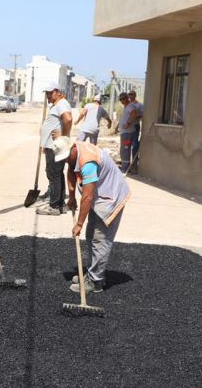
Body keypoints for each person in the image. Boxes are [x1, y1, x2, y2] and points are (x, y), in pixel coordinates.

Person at [55, 136, 131, 294]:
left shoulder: (88, 163)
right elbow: (70, 170)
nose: (66, 160)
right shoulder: (74, 154)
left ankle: (96, 282)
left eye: (67, 157)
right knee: (91, 235)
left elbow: (87, 196)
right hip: (100, 195)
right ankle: (92, 274)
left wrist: (79, 224)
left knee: (100, 238)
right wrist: (71, 196)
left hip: (111, 197)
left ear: (73, 149)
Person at [36, 81, 73, 215]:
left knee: (53, 174)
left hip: (56, 145)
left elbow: (68, 119)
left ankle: (54, 206)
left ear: (58, 92)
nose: (48, 96)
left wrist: (63, 135)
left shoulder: (62, 103)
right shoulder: (57, 104)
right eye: (46, 93)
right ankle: (60, 204)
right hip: (53, 145)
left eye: (50, 93)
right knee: (57, 174)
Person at [120, 90, 144, 174]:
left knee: (128, 148)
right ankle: (128, 167)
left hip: (130, 130)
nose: (122, 100)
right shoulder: (127, 106)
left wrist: (128, 124)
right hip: (127, 131)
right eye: (121, 99)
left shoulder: (134, 106)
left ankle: (129, 167)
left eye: (131, 94)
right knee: (126, 149)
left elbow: (134, 114)